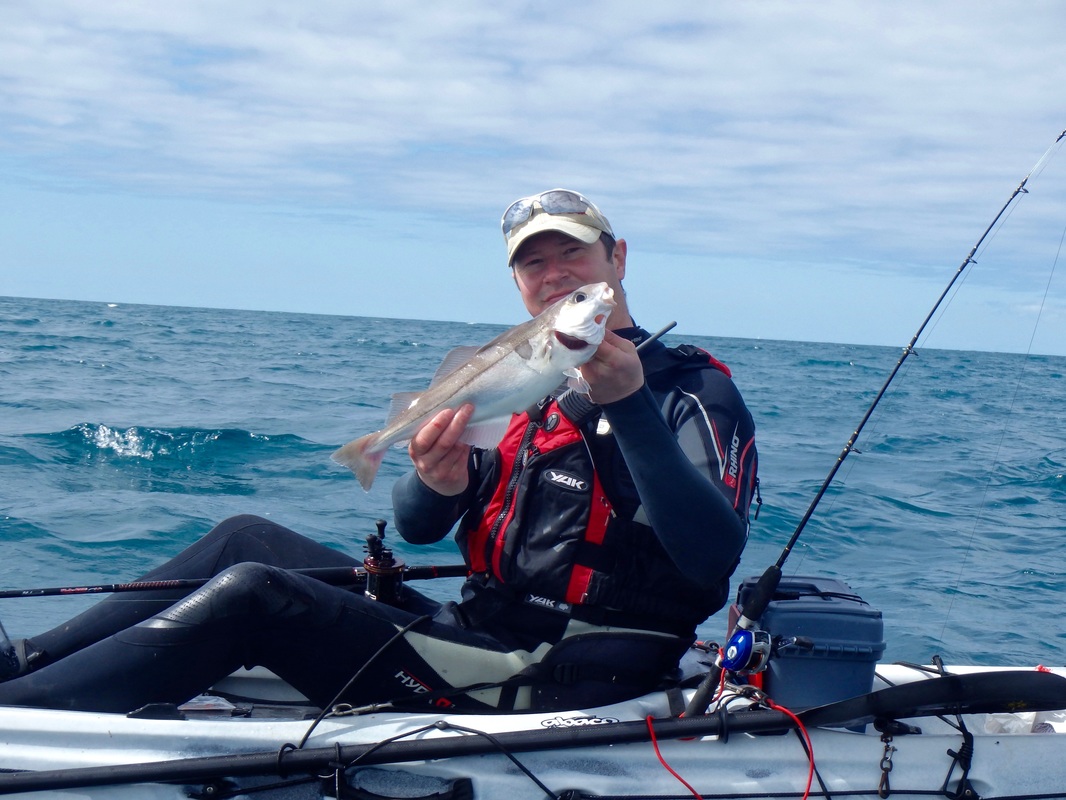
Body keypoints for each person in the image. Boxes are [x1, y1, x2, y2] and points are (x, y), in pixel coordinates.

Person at [0, 189, 758, 714]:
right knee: (244, 537)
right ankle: (28, 663)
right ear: (520, 284)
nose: (556, 274)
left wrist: (626, 404)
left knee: (255, 592)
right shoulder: (531, 388)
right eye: (535, 263)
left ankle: (19, 717)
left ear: (617, 258)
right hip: (481, 629)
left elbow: (710, 557)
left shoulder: (692, 392)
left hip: (567, 670)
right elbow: (422, 527)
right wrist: (437, 478)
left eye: (575, 256)